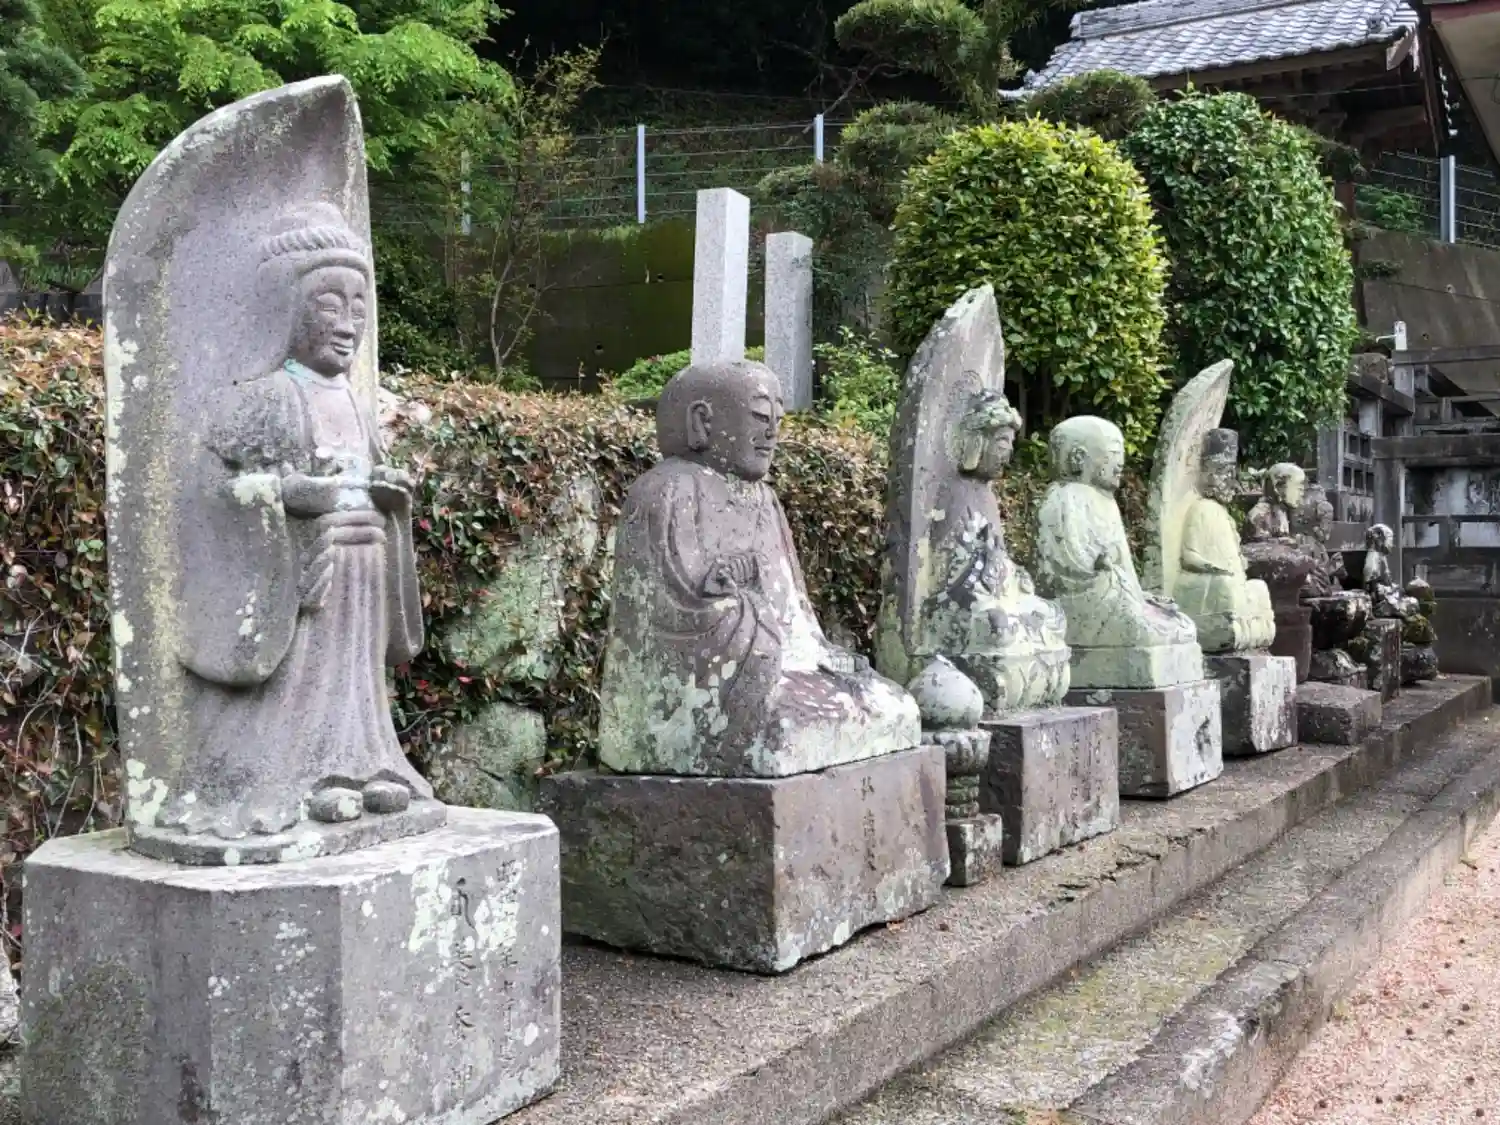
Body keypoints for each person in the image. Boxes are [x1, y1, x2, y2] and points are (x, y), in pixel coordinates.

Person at [167, 202, 428, 839]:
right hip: (302, 573)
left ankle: (362, 764)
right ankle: (294, 776)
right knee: (303, 677)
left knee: (357, 681)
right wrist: (286, 493)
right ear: (287, 311)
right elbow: (211, 491)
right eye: (329, 306)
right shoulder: (266, 398)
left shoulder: (356, 402)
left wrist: (392, 494)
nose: (348, 324)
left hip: (363, 564)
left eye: (359, 306)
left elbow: (371, 473)